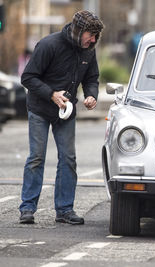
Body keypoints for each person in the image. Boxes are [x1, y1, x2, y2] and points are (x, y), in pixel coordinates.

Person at [19, 10, 104, 225]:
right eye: (90, 35)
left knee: (68, 159)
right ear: (78, 31)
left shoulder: (88, 51)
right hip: (40, 108)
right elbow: (28, 77)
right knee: (36, 157)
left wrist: (91, 94)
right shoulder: (49, 45)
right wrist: (51, 94)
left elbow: (92, 77)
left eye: (96, 36)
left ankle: (65, 210)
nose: (93, 40)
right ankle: (27, 208)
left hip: (65, 111)